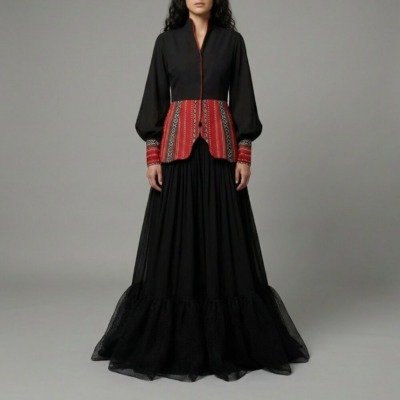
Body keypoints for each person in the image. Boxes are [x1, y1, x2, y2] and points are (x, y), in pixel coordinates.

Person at [91, 0, 310, 382]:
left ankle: (225, 341)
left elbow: (243, 97)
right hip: (176, 153)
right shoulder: (166, 42)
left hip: (221, 153)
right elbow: (154, 99)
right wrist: (152, 155)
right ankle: (175, 341)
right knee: (175, 240)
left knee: (222, 238)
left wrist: (245, 154)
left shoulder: (232, 42)